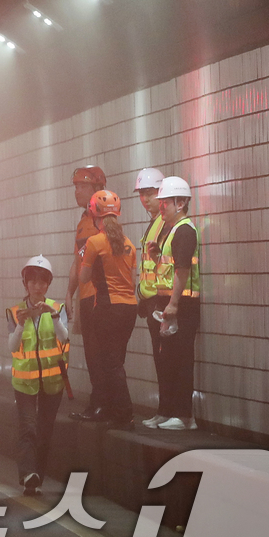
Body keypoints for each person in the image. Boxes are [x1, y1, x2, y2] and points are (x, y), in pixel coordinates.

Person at [75, 190, 138, 427]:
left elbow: (83, 277)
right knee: (116, 360)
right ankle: (115, 411)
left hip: (107, 307)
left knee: (108, 362)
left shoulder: (95, 242)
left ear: (94, 214)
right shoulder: (129, 244)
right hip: (129, 308)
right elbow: (130, 276)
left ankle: (123, 414)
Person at [8, 256, 70, 495]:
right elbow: (13, 347)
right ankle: (27, 475)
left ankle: (36, 477)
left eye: (42, 282)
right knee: (27, 428)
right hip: (24, 381)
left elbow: (65, 338)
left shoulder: (57, 309)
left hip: (53, 381)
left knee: (44, 432)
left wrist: (52, 316)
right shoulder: (14, 312)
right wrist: (22, 324)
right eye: (32, 281)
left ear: (48, 284)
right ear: (26, 283)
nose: (37, 286)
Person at [150, 176, 201, 430]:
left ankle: (184, 416)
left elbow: (181, 271)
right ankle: (169, 411)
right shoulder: (172, 231)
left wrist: (173, 305)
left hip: (184, 306)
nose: (162, 207)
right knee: (169, 359)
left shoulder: (184, 230)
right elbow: (172, 267)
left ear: (180, 203)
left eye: (166, 202)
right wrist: (157, 255)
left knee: (181, 360)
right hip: (174, 304)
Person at [65, 165, 107, 422]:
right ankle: (99, 402)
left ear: (96, 189)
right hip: (87, 294)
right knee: (94, 353)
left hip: (97, 296)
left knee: (98, 354)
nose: (77, 191)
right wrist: (70, 293)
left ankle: (102, 404)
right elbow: (78, 261)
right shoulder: (85, 220)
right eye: (76, 186)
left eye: (82, 185)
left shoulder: (98, 221)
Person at [132, 168, 170, 428]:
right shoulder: (155, 222)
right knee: (161, 360)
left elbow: (164, 265)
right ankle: (164, 409)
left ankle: (169, 410)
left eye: (150, 193)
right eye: (142, 194)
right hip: (151, 300)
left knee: (165, 359)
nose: (145, 199)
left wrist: (155, 299)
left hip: (159, 300)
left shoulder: (164, 222)